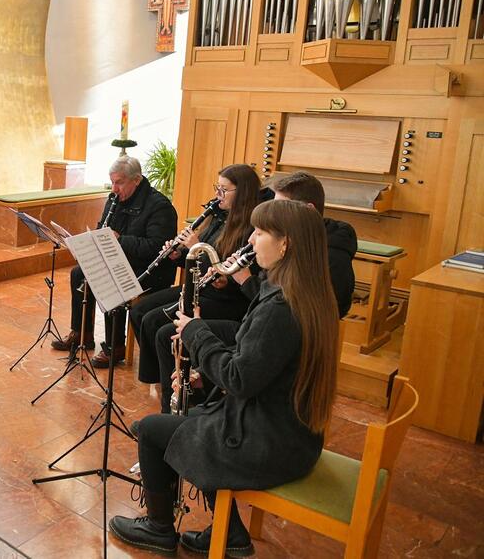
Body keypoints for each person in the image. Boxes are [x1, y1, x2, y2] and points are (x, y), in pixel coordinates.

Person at [110, 199, 339, 556]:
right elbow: (262, 365)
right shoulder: (305, 293)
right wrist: (205, 377)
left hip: (274, 444)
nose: (251, 239)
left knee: (154, 430)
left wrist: (196, 332)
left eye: (260, 232)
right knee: (197, 417)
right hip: (293, 432)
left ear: (285, 244)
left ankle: (158, 528)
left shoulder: (280, 308)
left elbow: (239, 378)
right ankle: (230, 534)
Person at [150, 170, 358, 412]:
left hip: (264, 340)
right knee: (169, 334)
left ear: (307, 210)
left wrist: (245, 281)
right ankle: (189, 407)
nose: (252, 239)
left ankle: (192, 412)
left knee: (174, 335)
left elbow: (278, 327)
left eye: (279, 208)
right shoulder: (283, 253)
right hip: (256, 329)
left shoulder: (325, 260)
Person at [129, 164, 261, 380]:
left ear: (243, 192)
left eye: (224, 190)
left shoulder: (249, 229)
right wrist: (179, 255)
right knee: (139, 311)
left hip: (226, 299)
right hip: (202, 288)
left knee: (155, 322)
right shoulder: (218, 217)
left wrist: (195, 246)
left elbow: (225, 272)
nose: (217, 195)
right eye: (217, 188)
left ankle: (172, 380)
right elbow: (197, 262)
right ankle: (160, 377)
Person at [51, 155, 178, 361]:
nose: (114, 189)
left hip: (151, 269)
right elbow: (103, 229)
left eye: (119, 182)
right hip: (121, 259)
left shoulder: (159, 206)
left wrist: (120, 240)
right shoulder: (115, 199)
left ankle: (115, 345)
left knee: (112, 277)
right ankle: (82, 333)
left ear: (136, 180)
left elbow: (156, 248)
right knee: (79, 273)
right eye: (112, 182)